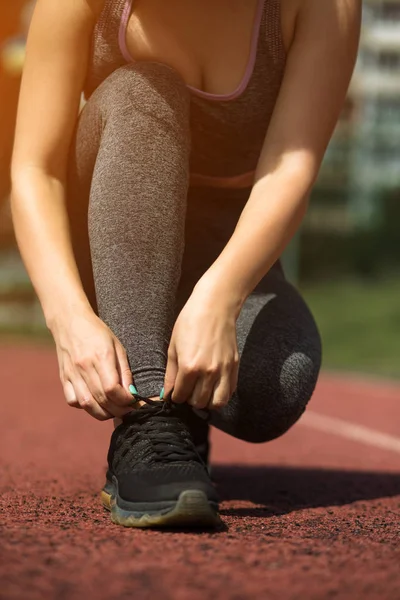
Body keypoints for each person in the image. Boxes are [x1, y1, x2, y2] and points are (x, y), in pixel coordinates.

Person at [11, 0, 361, 528]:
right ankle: (148, 416)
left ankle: (183, 409)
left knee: (277, 383)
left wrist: (221, 298)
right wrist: (67, 317)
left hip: (224, 245)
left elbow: (292, 167)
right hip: (109, 230)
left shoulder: (323, 7)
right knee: (144, 91)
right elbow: (36, 170)